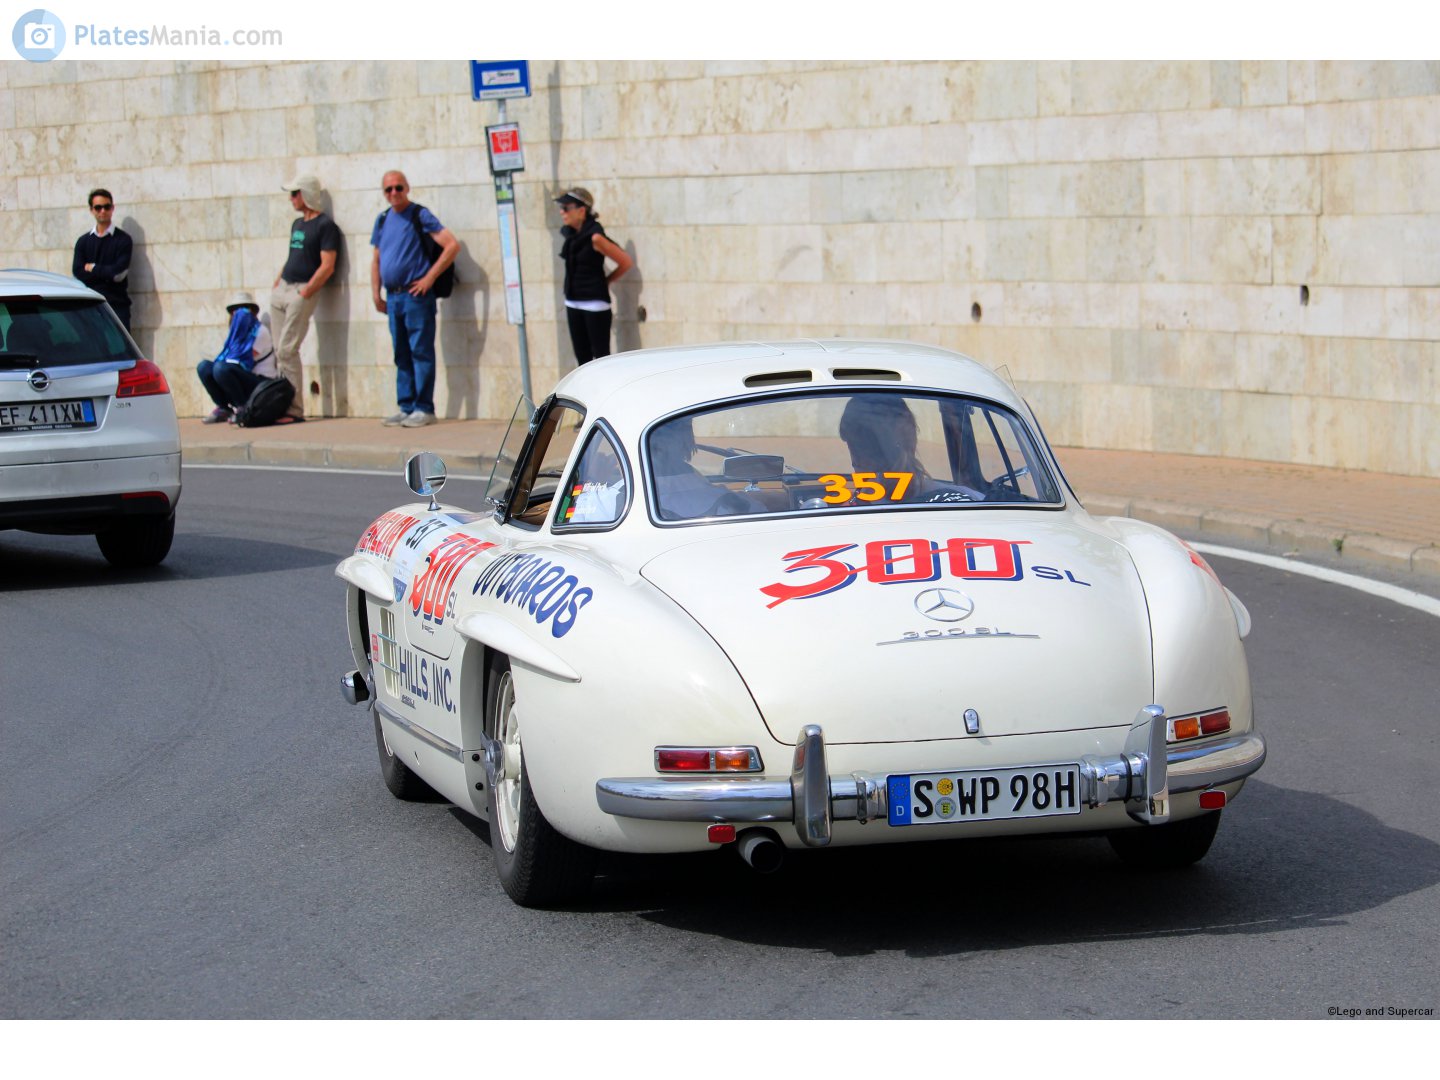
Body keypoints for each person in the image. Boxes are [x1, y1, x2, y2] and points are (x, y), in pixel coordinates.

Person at [370, 170, 461, 428]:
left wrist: (429, 278)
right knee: (401, 353)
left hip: (416, 297)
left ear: (407, 188)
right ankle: (406, 406)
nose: (394, 193)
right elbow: (376, 260)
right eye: (388, 189)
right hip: (393, 297)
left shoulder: (419, 214)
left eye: (398, 187)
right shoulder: (382, 219)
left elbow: (451, 245)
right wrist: (375, 293)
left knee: (421, 351)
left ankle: (424, 407)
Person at [270, 174, 338, 422]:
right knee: (279, 352)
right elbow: (292, 255)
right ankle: (282, 404)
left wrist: (307, 291)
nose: (291, 199)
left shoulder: (325, 225)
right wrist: (278, 281)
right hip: (283, 288)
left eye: (295, 193)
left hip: (302, 290)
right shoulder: (297, 224)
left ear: (306, 194)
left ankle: (294, 410)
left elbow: (327, 265)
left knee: (287, 350)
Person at [837, 395, 982, 503]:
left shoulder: (854, 511)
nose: (854, 461)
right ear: (912, 437)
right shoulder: (972, 499)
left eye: (855, 446)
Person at [553, 188, 633, 365]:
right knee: (582, 360)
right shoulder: (570, 234)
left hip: (594, 304)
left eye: (566, 208)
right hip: (573, 301)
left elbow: (626, 262)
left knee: (601, 359)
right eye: (561, 208)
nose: (562, 212)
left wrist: (607, 281)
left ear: (581, 210)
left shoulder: (595, 237)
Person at [195, 292, 276, 424]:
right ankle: (223, 408)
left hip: (261, 384)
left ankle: (243, 408)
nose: (239, 314)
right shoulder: (236, 333)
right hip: (241, 379)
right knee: (204, 367)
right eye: (235, 310)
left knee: (221, 369)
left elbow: (241, 359)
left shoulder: (260, 332)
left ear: (251, 312)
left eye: (244, 309)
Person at [72, 188, 133, 331]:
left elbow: (118, 274)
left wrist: (92, 268)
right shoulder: (83, 241)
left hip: (117, 307)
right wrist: (106, 273)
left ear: (112, 208)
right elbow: (78, 272)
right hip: (90, 307)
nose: (103, 211)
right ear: (91, 210)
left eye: (106, 206)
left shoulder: (123, 240)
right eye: (98, 207)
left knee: (121, 345)